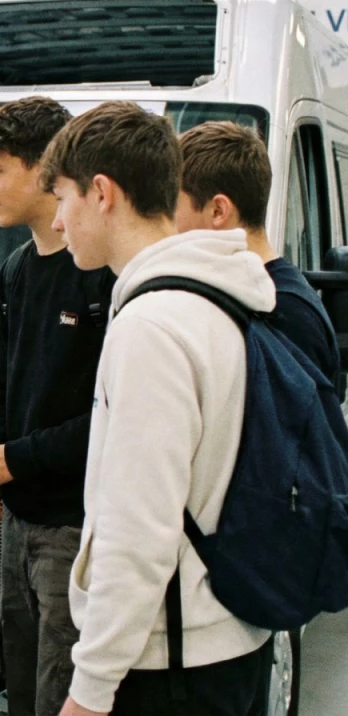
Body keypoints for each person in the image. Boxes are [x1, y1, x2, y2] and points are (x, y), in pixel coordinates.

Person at [43, 102, 275, 716]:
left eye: (62, 198)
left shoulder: (151, 326)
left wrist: (89, 692)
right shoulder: (215, 296)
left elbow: (139, 530)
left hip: (171, 666)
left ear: (101, 193)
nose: (59, 223)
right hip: (224, 637)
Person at [0, 97, 114, 716]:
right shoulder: (17, 271)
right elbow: (2, 387)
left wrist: (14, 459)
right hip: (18, 526)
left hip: (74, 531)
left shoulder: (103, 277)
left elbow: (114, 419)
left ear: (45, 167)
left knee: (61, 694)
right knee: (22, 690)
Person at [174, 120, 341, 387]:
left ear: (218, 211)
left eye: (174, 204)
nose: (168, 222)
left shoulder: (284, 314)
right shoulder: (255, 294)